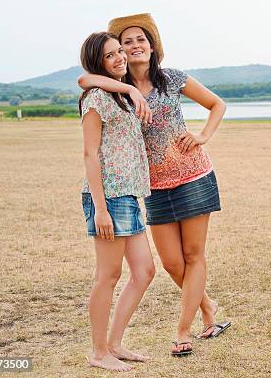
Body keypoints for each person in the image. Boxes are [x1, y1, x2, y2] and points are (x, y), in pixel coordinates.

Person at [78, 13, 229, 357]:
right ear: (118, 53)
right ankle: (207, 304)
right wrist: (129, 86)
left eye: (140, 40)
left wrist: (203, 135)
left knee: (193, 256)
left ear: (151, 46)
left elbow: (216, 104)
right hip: (153, 186)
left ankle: (183, 330)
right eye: (125, 43)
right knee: (173, 264)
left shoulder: (172, 78)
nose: (133, 46)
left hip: (193, 177)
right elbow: (84, 78)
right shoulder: (112, 87)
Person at [79, 31, 155, 371]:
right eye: (110, 56)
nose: (119, 57)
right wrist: (100, 208)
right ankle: (98, 353)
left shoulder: (119, 96)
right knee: (108, 275)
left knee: (144, 271)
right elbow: (90, 154)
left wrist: (127, 88)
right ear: (99, 62)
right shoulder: (96, 96)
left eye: (118, 51)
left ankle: (114, 343)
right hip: (108, 197)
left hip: (129, 194)